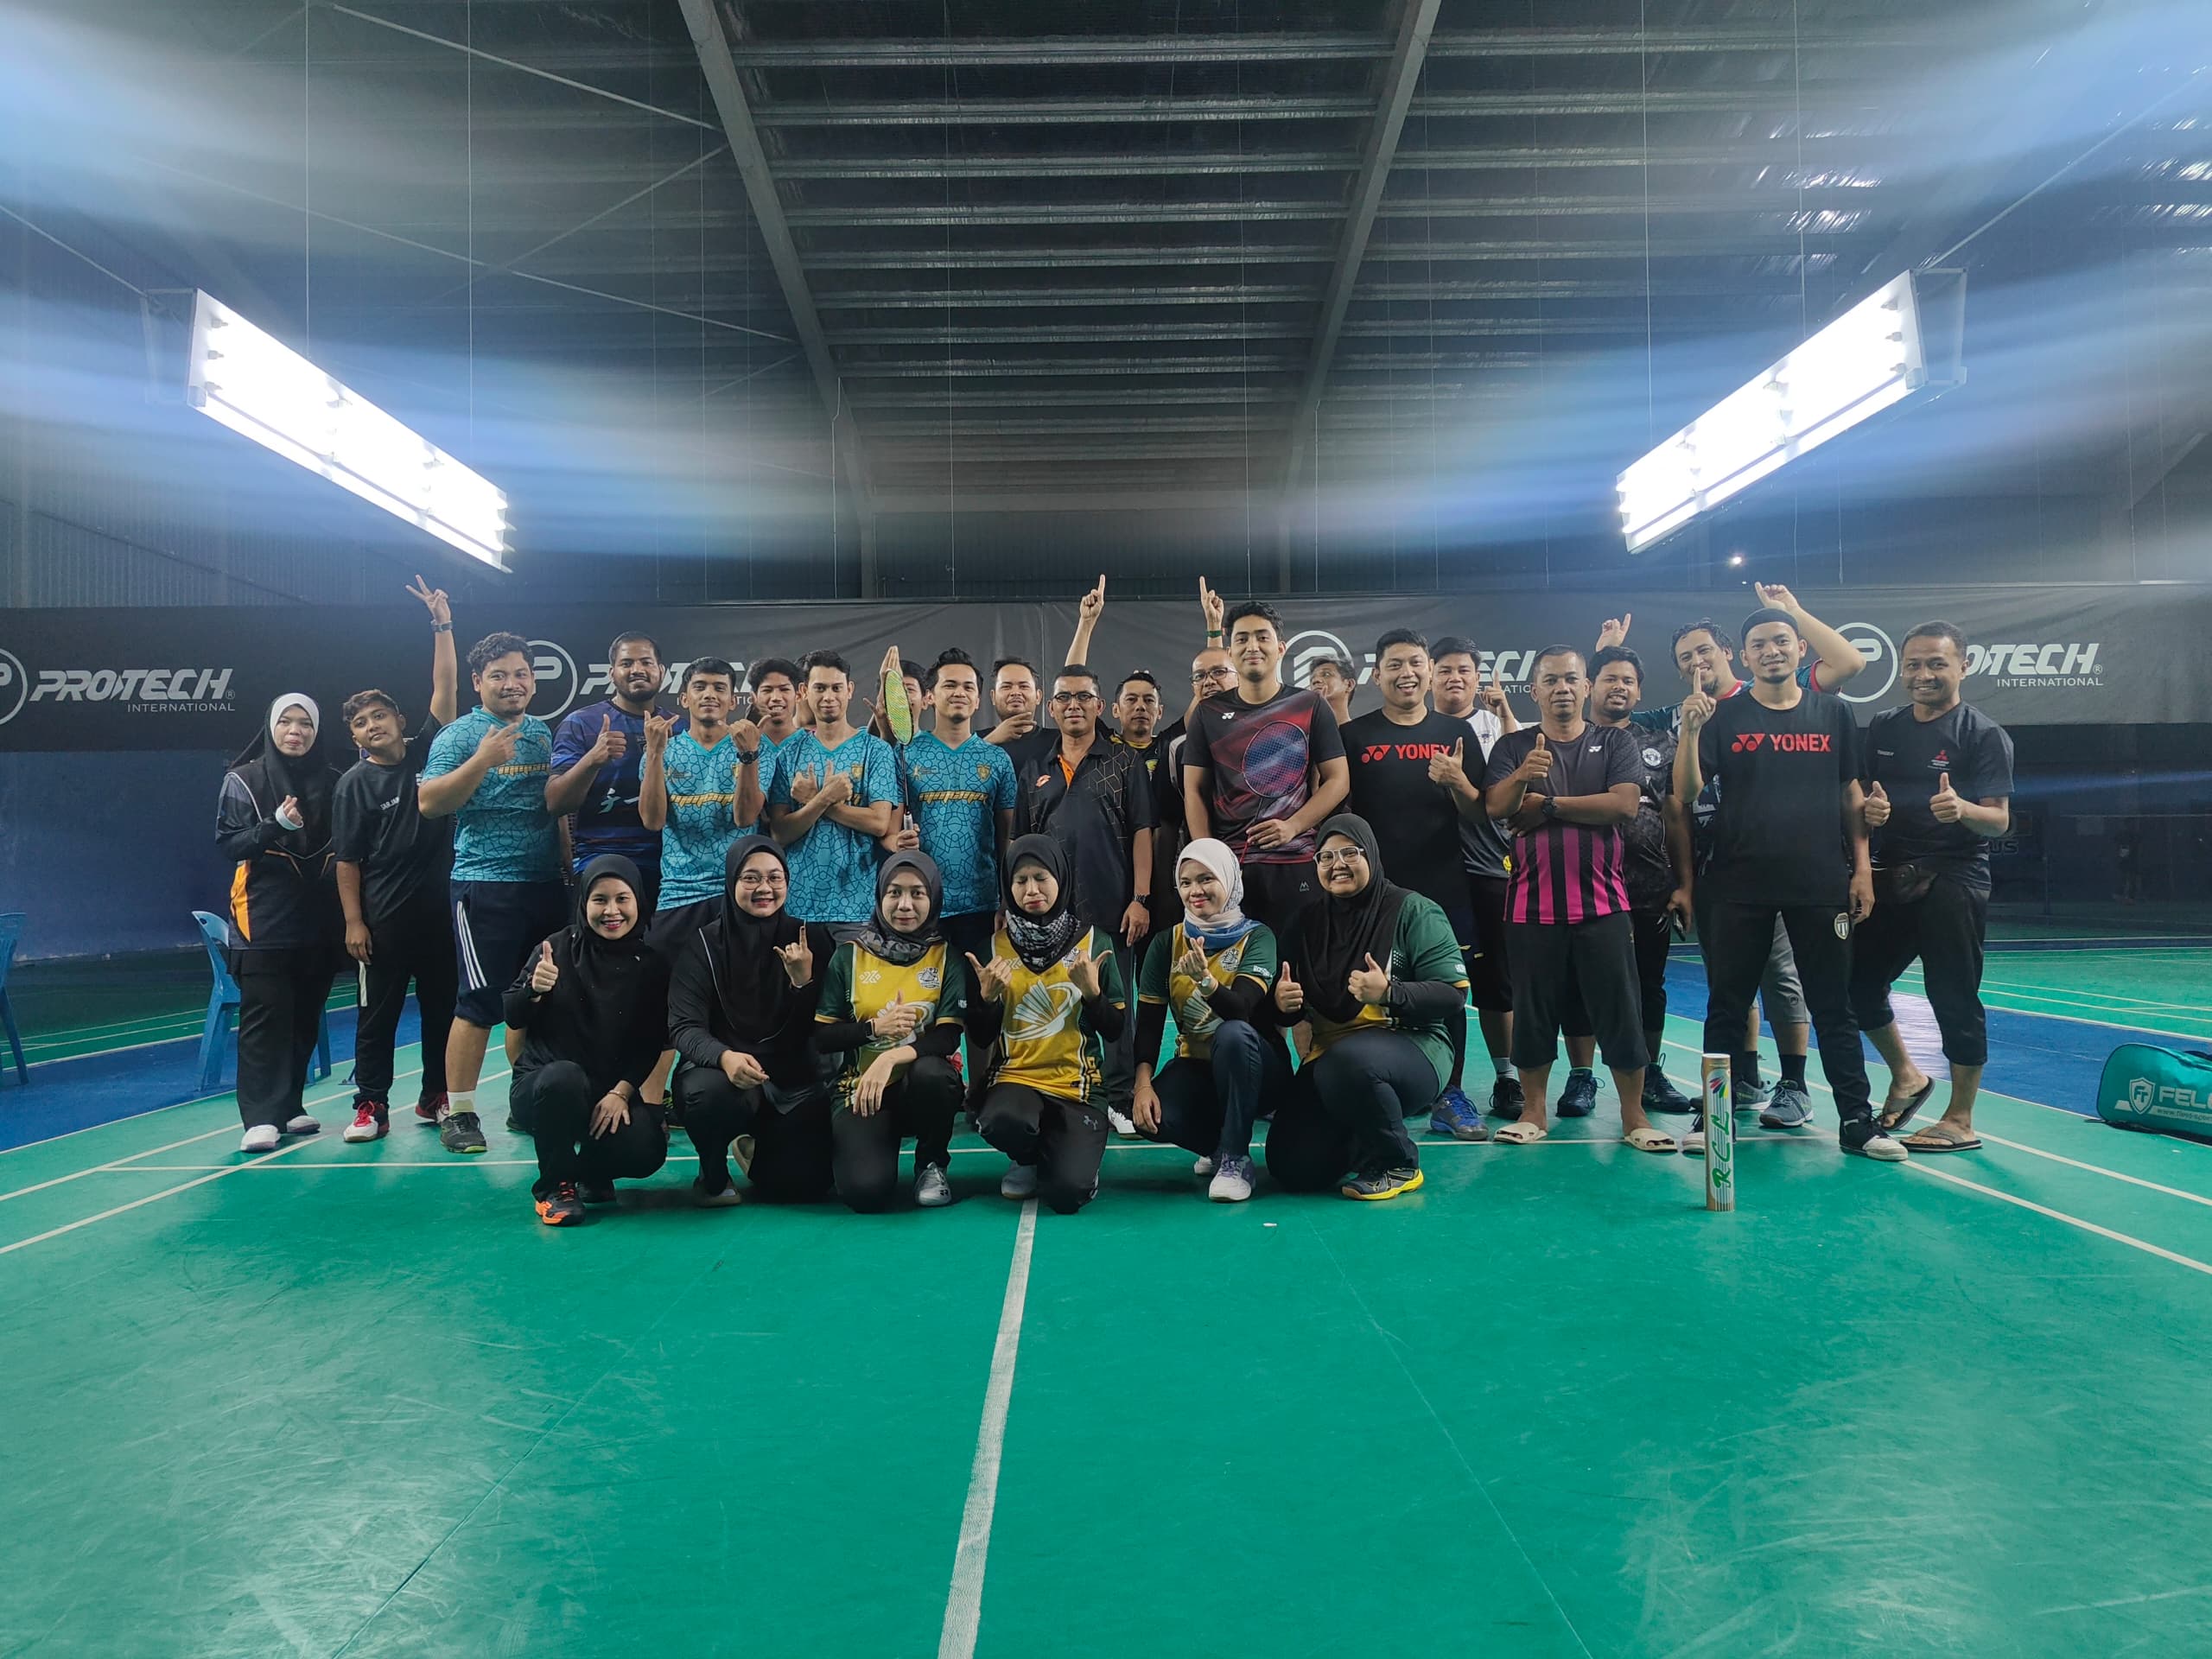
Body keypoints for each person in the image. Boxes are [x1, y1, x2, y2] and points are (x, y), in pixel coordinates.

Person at [1616, 587, 1864, 1123]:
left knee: (1797, 987)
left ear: (1733, 654)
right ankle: (1728, 1102)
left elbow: (1849, 670)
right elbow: (1676, 787)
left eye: (1704, 650)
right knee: (1729, 998)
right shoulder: (1694, 716)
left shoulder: (1820, 705)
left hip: (1813, 877)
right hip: (1727, 873)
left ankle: (1818, 1098)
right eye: (1686, 657)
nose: (1697, 662)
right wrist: (1611, 657)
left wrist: (1792, 612)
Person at [1676, 607, 1902, 1161]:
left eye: (1781, 641)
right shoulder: (1723, 716)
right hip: (1737, 884)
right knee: (1727, 1007)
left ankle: (1857, 1121)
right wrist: (1690, 732)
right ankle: (1715, 1119)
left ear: (1802, 649)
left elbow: (1851, 793)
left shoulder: (1834, 713)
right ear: (1744, 657)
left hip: (1819, 882)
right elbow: (1686, 792)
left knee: (1834, 1006)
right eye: (1759, 644)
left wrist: (1862, 868)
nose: (1771, 651)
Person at [1480, 648, 1670, 1151]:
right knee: (1533, 1013)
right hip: (1530, 907)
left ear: (1586, 687)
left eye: (1571, 679)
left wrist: (1548, 805)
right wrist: (1523, 776)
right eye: (1551, 680)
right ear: (1534, 691)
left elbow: (1623, 806)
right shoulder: (1513, 746)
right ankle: (1533, 1112)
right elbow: (1497, 807)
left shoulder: (1615, 742)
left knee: (1620, 1011)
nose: (1562, 688)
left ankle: (1633, 1117)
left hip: (1604, 906)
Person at [1853, 621, 2014, 1153]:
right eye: (1914, 664)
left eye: (1937, 664)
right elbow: (1863, 797)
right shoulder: (1884, 726)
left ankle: (1961, 1118)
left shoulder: (1983, 734)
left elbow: (1999, 821)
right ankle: (1907, 1076)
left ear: (1963, 666)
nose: (1923, 674)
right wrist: (1870, 810)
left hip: (1954, 877)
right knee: (1857, 986)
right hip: (1892, 874)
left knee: (1953, 995)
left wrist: (1962, 809)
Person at [1262, 816, 1469, 1199]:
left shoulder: (1413, 910)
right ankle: (1363, 1137)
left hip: (1413, 1046)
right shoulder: (1304, 922)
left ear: (1371, 854)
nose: (1337, 864)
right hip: (1332, 1059)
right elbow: (1284, 1009)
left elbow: (1452, 994)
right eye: (1326, 857)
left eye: (1349, 853)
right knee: (1293, 1167)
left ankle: (1398, 1163)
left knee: (1348, 1062)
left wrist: (1391, 992)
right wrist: (1282, 1004)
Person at [418, 631, 568, 1155]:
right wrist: (482, 759)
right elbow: (429, 803)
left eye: (521, 674)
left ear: (533, 681)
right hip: (484, 885)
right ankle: (459, 1112)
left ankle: (529, 1100)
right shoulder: (459, 736)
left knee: (542, 1000)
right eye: (499, 675)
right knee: (479, 1002)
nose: (512, 684)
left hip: (544, 884)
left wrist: (567, 864)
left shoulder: (544, 734)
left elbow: (554, 806)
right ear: (478, 682)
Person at [1340, 628, 1489, 1140]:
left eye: (1415, 663)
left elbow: (1478, 811)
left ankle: (1451, 1093)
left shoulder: (1456, 732)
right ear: (1376, 674)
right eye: (1395, 665)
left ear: (1429, 670)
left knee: (1448, 990)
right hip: (1374, 893)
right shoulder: (1354, 736)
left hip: (1443, 887)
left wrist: (1457, 782)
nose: (1406, 673)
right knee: (1367, 990)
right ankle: (1374, 1089)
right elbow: (1341, 813)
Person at [331, 576, 460, 1141]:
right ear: (355, 737)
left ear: (401, 721)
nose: (372, 726)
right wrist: (354, 922)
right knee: (376, 1017)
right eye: (361, 723)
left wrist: (442, 624)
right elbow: (348, 860)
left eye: (380, 716)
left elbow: (445, 687)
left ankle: (436, 1097)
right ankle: (371, 1105)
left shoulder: (430, 751)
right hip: (383, 923)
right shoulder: (352, 785)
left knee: (441, 1012)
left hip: (440, 917)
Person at [1015, 664, 1157, 1132]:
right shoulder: (1035, 768)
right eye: (1064, 697)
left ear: (1099, 706)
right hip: (1049, 915)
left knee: (1115, 1006)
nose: (1073, 705)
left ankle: (1118, 1096)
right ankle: (1057, 1087)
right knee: (1055, 1002)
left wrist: (1140, 898)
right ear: (1051, 707)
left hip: (1112, 909)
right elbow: (1021, 845)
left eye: (1082, 697)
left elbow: (1142, 832)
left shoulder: (1124, 762)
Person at [666, 837, 836, 1205]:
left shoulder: (811, 940)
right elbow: (683, 1026)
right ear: (731, 882)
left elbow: (822, 1029)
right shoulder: (703, 944)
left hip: (794, 1082)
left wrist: (802, 984)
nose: (764, 888)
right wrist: (724, 1057)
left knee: (804, 1186)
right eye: (751, 878)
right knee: (706, 1093)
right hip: (726, 1078)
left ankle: (758, 1150)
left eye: (775, 878)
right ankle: (712, 1172)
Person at [503, 856, 671, 1225]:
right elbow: (513, 1014)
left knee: (647, 1148)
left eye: (622, 899)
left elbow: (650, 1043)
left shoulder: (652, 964)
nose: (612, 911)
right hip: (545, 1088)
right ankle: (555, 1187)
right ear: (583, 903)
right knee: (563, 1077)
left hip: (604, 1091)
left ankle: (591, 1172)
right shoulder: (555, 949)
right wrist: (533, 989)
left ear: (638, 901)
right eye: (600, 900)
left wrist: (621, 1093)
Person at [966, 837, 1128, 1215]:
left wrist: (1093, 995)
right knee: (999, 1120)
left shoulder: (1094, 942)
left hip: (1077, 1088)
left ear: (1061, 878)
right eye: (1020, 881)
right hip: (1016, 1080)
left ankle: (1070, 1158)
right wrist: (987, 1000)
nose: (1031, 890)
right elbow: (980, 1036)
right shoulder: (992, 949)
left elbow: (1116, 1030)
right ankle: (1025, 1158)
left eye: (1041, 877)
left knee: (1067, 1195)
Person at [217, 693, 346, 1152]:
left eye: (305, 724)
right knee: (265, 1020)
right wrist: (274, 824)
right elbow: (230, 844)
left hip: (319, 920)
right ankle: (260, 1117)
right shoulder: (242, 779)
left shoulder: (334, 781)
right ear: (271, 728)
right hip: (262, 919)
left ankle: (289, 1106)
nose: (296, 732)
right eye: (286, 722)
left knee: (305, 1016)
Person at [1130, 840, 1288, 1201]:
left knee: (1232, 1034)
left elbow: (1241, 1010)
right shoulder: (1166, 943)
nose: (1195, 891)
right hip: (1197, 1066)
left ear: (1229, 881)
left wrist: (1206, 981)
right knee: (1146, 1114)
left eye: (1206, 879)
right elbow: (1149, 1025)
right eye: (1185, 883)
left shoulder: (1257, 937)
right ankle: (1216, 1146)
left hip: (1258, 1068)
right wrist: (1142, 1086)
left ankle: (1236, 1158)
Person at [812, 853, 970, 1211]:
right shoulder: (849, 956)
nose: (905, 905)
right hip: (863, 1090)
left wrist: (891, 1058)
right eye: (894, 892)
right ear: (880, 896)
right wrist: (873, 1029)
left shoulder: (947, 957)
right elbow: (823, 1038)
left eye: (917, 893)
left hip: (920, 1086)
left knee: (935, 1074)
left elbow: (947, 1036)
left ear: (933, 898)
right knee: (865, 1193)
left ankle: (931, 1164)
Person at [1182, 598, 1349, 931]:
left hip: (1297, 861)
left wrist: (1293, 826)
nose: (1252, 646)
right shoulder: (1207, 713)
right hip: (1232, 868)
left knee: (1299, 961)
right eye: (1242, 639)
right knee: (1235, 963)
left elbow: (1338, 780)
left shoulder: (1310, 705)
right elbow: (1194, 792)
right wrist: (1210, 858)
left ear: (1281, 648)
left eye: (1262, 637)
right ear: (1230, 651)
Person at [1586, 645, 1698, 1116]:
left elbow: (1675, 815)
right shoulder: (1571, 740)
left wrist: (1684, 884)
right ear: (1590, 685)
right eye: (1610, 678)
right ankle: (1581, 1077)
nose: (1619, 687)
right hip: (1586, 888)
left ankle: (1650, 1073)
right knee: (1585, 986)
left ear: (1639, 692)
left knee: (1650, 986)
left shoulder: (1660, 743)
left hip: (1649, 887)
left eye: (1628, 681)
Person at [1430, 636, 1523, 1117]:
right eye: (1445, 669)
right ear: (1430, 675)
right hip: (1432, 874)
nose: (1454, 678)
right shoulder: (1418, 728)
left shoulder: (1496, 728)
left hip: (1489, 870)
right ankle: (1435, 1081)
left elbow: (1507, 797)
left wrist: (1505, 714)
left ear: (1477, 677)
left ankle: (1508, 1077)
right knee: (1431, 982)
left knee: (1495, 981)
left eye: (1463, 670)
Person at [765, 652, 900, 930]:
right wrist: (825, 798)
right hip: (798, 905)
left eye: (836, 688)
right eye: (820, 688)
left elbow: (879, 823)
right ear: (804, 692)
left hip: (858, 906)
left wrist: (814, 801)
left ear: (849, 690)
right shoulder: (788, 753)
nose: (829, 697)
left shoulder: (876, 750)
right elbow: (780, 833)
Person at [899, 648, 1018, 964]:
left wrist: (1006, 899)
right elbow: (889, 828)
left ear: (978, 700)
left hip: (981, 906)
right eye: (949, 685)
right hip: (920, 903)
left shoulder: (998, 760)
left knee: (979, 991)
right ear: (929, 697)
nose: (959, 693)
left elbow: (1007, 838)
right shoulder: (906, 754)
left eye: (968, 687)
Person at [546, 632, 674, 912]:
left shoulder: (680, 727)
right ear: (611, 673)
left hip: (669, 867)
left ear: (662, 671)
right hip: (600, 861)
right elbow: (556, 803)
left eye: (646, 662)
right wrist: (592, 761)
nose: (637, 670)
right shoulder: (581, 724)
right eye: (627, 663)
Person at [640, 657, 763, 940]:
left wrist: (748, 756)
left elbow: (745, 818)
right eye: (700, 687)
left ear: (733, 701)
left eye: (719, 688)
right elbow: (652, 821)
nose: (709, 694)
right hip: (678, 892)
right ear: (684, 699)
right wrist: (654, 753)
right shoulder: (662, 750)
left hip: (738, 891)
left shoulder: (757, 748)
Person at [745, 657, 806, 829]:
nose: (776, 698)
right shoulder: (741, 745)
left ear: (799, 694)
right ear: (754, 697)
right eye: (767, 690)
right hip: (747, 840)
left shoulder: (812, 744)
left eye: (784, 689)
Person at [986, 656, 1058, 775]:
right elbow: (956, 776)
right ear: (993, 697)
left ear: (1038, 696)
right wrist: (989, 741)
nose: (1015, 692)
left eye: (1024, 686)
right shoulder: (976, 741)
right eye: (1006, 687)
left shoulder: (1058, 742)